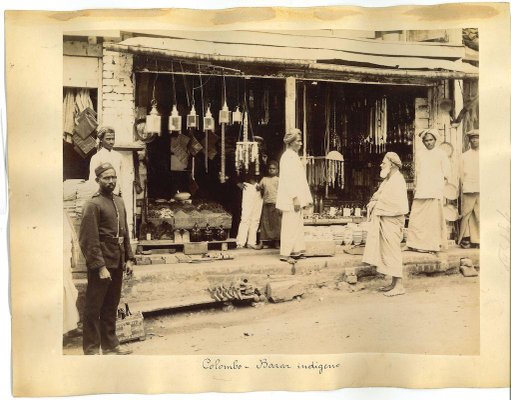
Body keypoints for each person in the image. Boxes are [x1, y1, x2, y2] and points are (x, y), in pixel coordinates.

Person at [79, 162, 135, 355]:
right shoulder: (93, 204)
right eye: (106, 178)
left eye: (113, 177)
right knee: (94, 307)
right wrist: (100, 266)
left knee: (111, 305)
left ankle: (111, 345)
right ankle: (92, 349)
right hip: (102, 263)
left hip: (117, 260)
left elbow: (124, 232)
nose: (111, 181)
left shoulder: (119, 201)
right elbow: (89, 239)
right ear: (98, 180)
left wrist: (128, 258)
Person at [363, 153, 409, 296]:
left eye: (384, 163)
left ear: (392, 165)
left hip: (392, 221)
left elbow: (396, 203)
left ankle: (399, 285)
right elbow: (378, 195)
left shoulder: (398, 181)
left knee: (393, 252)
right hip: (385, 219)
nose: (381, 165)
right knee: (387, 252)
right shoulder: (388, 180)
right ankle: (393, 283)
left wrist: (377, 203)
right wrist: (375, 200)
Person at [406, 129, 450, 254]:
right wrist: (416, 187)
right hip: (421, 190)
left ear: (435, 140)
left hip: (434, 191)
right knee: (417, 217)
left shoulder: (441, 154)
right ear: (423, 142)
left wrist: (439, 187)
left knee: (432, 219)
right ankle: (414, 243)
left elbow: (446, 173)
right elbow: (418, 173)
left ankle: (432, 245)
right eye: (426, 140)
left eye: (431, 140)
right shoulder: (420, 154)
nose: (428, 143)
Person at [276, 128, 313, 264]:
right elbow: (288, 180)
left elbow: (301, 180)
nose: (301, 143)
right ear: (291, 143)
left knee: (297, 225)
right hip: (291, 198)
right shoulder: (287, 157)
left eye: (301, 140)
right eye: (298, 141)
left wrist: (307, 198)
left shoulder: (293, 156)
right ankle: (285, 254)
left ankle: (296, 251)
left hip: (297, 197)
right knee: (289, 225)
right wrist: (295, 197)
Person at [458, 129, 480, 249]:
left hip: (481, 188)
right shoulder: (464, 156)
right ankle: (465, 238)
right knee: (466, 213)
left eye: (477, 138)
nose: (475, 140)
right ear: (469, 140)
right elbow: (461, 174)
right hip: (468, 188)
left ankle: (477, 240)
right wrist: (463, 187)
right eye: (472, 138)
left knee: (478, 214)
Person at [88, 126, 123, 196]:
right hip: (103, 195)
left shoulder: (118, 156)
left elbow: (120, 176)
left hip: (116, 194)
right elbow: (93, 179)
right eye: (108, 139)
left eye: (113, 139)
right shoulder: (96, 157)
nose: (111, 142)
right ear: (101, 139)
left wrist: (120, 191)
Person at [235, 174, 264, 250]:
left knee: (256, 217)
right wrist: (237, 182)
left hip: (259, 188)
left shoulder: (261, 162)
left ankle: (251, 242)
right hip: (247, 186)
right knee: (245, 217)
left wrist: (261, 184)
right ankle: (240, 242)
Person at [258, 160, 282, 249]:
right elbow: (259, 189)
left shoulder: (279, 180)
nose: (271, 170)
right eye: (270, 169)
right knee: (264, 223)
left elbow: (282, 193)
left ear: (277, 170)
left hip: (275, 204)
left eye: (274, 169)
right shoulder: (264, 179)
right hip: (266, 204)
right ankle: (261, 242)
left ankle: (277, 242)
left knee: (276, 224)